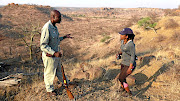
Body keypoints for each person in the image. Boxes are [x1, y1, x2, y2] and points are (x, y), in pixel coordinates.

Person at [40, 10, 73, 96]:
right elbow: (43, 45)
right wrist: (54, 53)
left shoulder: (54, 27)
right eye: (59, 17)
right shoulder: (47, 28)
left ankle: (66, 83)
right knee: (49, 73)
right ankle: (49, 90)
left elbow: (56, 40)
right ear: (53, 17)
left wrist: (64, 37)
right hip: (50, 56)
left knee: (60, 71)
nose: (60, 19)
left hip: (56, 55)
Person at [117, 28, 136, 97]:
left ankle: (129, 92)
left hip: (129, 64)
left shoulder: (131, 44)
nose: (120, 35)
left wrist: (130, 67)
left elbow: (133, 56)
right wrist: (120, 54)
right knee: (122, 78)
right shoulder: (123, 41)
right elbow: (123, 50)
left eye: (122, 34)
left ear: (126, 36)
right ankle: (123, 88)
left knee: (121, 78)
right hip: (123, 62)